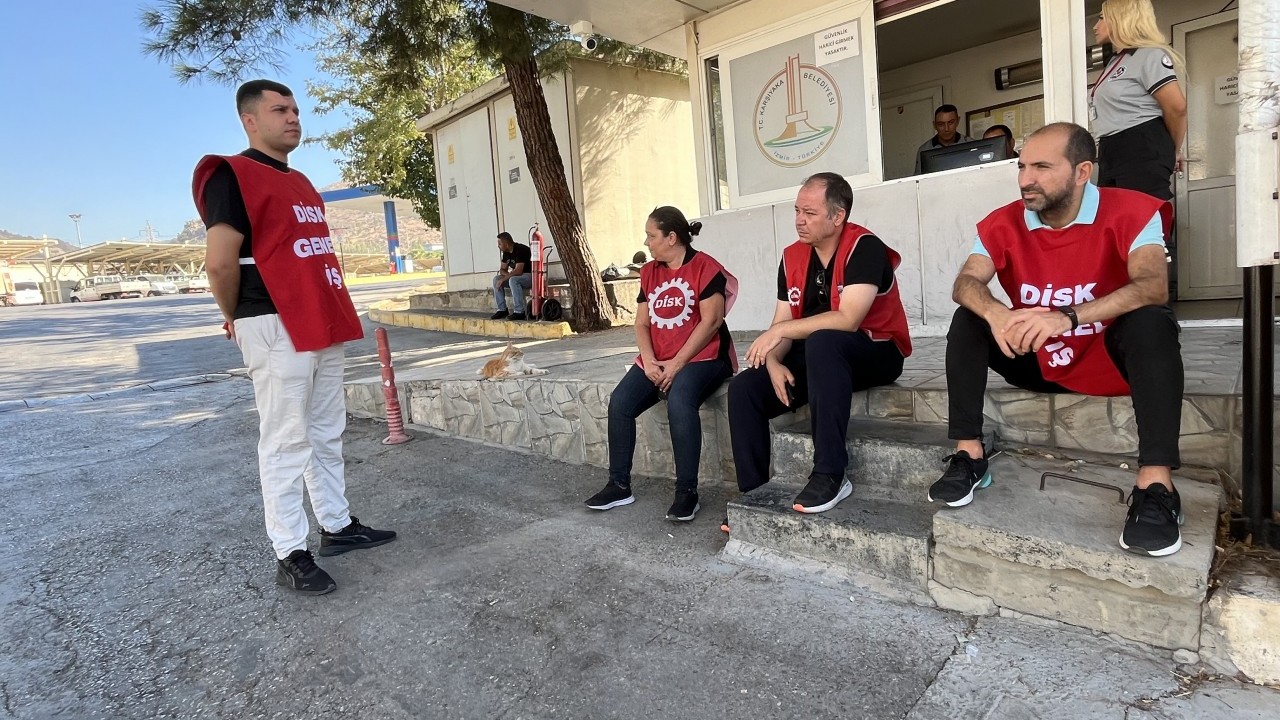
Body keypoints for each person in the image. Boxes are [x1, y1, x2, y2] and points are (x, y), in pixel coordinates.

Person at [932, 122, 1183, 557]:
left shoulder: (1132, 211)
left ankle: (1157, 487)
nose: (1026, 179)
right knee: (968, 319)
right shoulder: (1004, 222)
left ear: (1082, 171)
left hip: (1107, 358)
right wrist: (997, 313)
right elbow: (966, 282)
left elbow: (1152, 284)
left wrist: (1065, 317)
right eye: (1022, 165)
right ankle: (969, 456)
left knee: (1151, 320)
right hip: (1037, 360)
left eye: (1042, 167)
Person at [193, 80, 396, 596]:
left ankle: (337, 525)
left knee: (326, 431)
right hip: (273, 319)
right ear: (249, 121)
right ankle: (290, 550)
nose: (293, 118)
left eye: (296, 110)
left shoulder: (302, 182)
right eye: (279, 110)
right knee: (285, 440)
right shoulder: (232, 175)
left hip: (318, 319)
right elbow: (220, 261)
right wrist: (235, 315)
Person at [725, 173, 912, 529]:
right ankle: (754, 495)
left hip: (877, 351)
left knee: (825, 339)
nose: (799, 220)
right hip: (823, 360)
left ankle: (831, 472)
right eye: (797, 210)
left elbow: (848, 319)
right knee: (745, 387)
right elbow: (783, 318)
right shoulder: (792, 256)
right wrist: (775, 360)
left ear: (837, 216)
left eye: (809, 213)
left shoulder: (865, 247)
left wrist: (779, 332)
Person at [584, 207, 738, 522]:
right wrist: (650, 361)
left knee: (680, 401)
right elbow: (642, 324)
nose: (647, 242)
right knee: (620, 403)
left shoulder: (705, 267)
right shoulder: (649, 272)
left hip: (704, 357)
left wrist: (677, 364)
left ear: (672, 237)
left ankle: (687, 493)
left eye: (651, 236)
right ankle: (619, 485)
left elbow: (711, 322)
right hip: (659, 359)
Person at [1090, 0, 1188, 201]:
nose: (1095, 26)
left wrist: (1174, 150)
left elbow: (1177, 107)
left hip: (1139, 143)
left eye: (1101, 18)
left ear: (1121, 19)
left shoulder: (1149, 55)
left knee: (1142, 220)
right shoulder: (1117, 61)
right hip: (1110, 147)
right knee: (1116, 222)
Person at [914, 104, 974, 175]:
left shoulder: (970, 144)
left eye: (951, 122)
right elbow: (918, 180)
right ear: (934, 125)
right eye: (941, 124)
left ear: (958, 121)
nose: (946, 129)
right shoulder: (924, 150)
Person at [492, 231, 532, 320]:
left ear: (506, 244)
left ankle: (519, 311)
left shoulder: (520, 249)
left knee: (513, 280)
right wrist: (506, 276)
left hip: (529, 276)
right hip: (517, 276)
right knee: (496, 279)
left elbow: (519, 271)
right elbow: (502, 270)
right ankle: (502, 310)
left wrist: (505, 278)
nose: (498, 246)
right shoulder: (506, 253)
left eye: (499, 244)